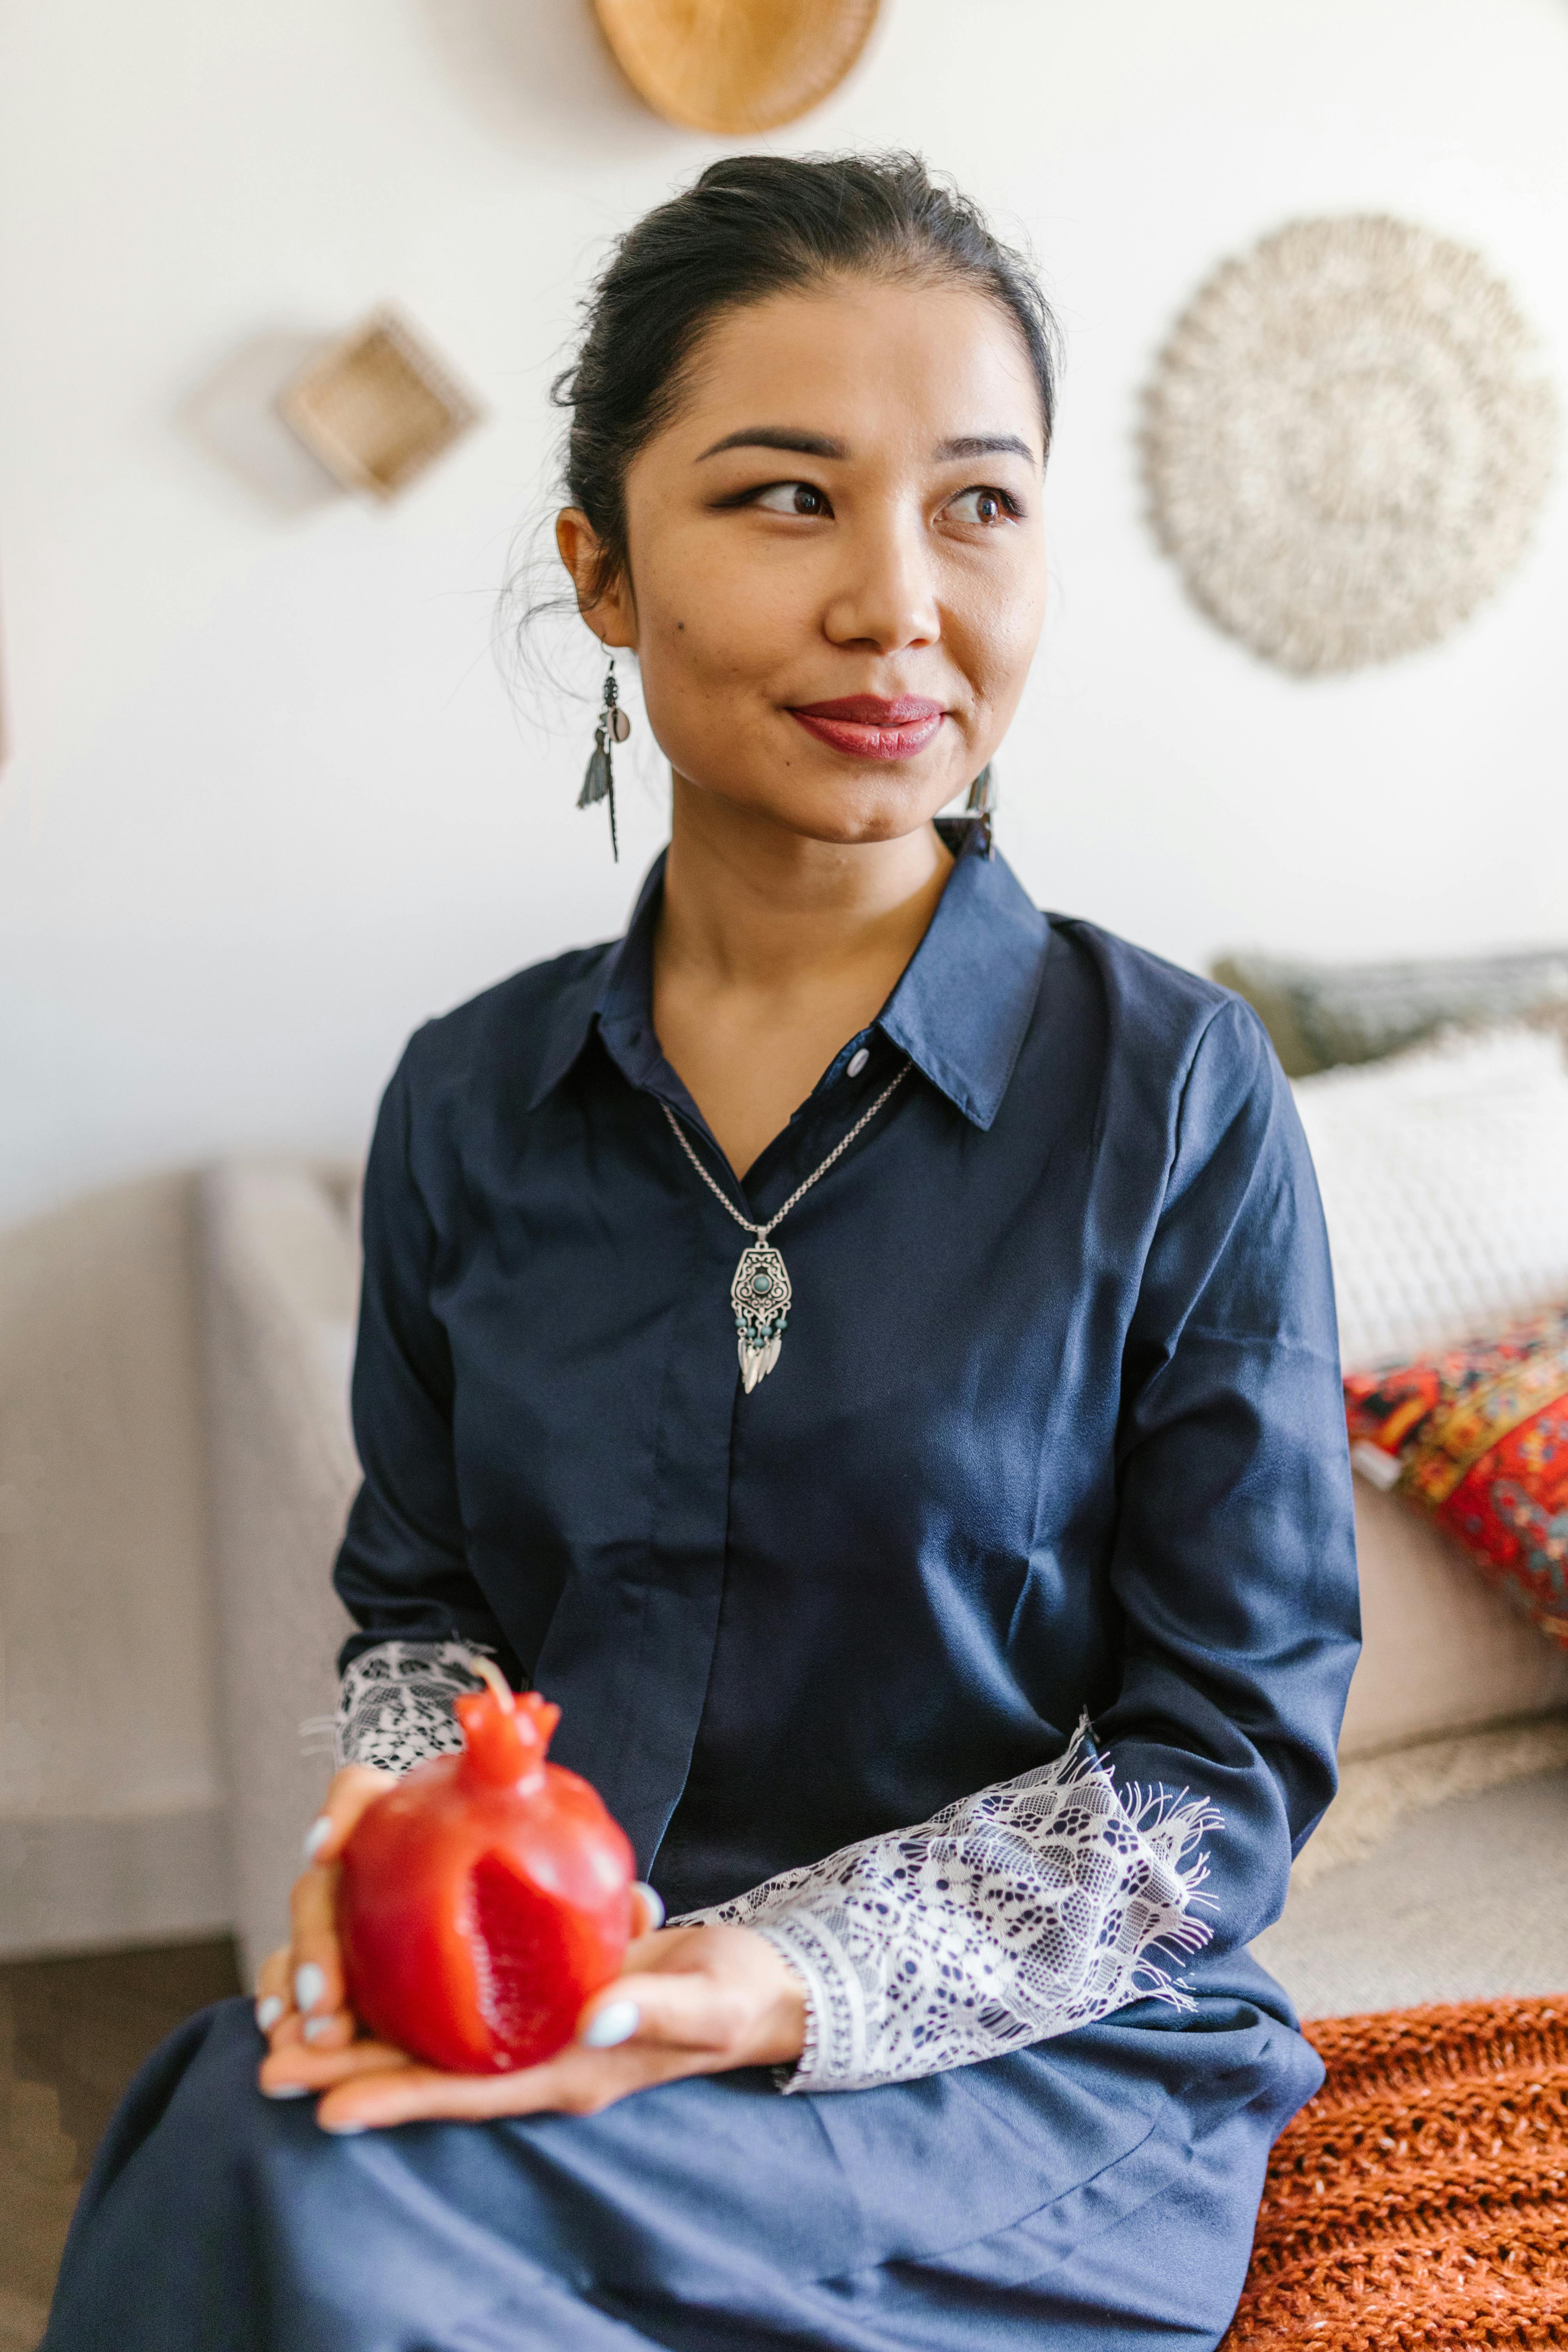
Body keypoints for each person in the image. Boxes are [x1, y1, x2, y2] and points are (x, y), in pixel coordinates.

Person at [44, 152, 1359, 2352]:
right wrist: (396, 1842)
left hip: (1007, 2084)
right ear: (605, 570)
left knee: (322, 2220)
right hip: (558, 2019)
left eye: (976, 505)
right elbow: (427, 1608)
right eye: (781, 498)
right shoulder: (470, 1097)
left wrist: (756, 1982)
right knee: (245, 2119)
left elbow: (1212, 1773)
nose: (893, 603)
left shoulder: (1172, 1091)